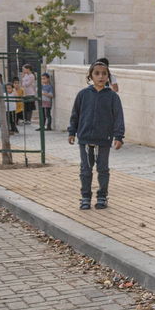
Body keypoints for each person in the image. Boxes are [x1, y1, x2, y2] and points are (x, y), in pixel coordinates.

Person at [68, 60, 126, 210]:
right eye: (97, 73)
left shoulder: (112, 97)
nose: (100, 76)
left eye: (104, 74)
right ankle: (85, 197)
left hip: (104, 139)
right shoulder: (83, 95)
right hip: (85, 139)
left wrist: (119, 136)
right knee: (85, 169)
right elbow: (75, 114)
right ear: (90, 76)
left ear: (108, 77)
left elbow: (118, 117)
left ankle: (102, 196)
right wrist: (72, 132)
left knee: (103, 169)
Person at [19, 63, 37, 127]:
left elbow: (26, 84)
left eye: (24, 69)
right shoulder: (25, 75)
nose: (23, 70)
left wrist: (23, 83)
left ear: (28, 69)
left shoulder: (31, 76)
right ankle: (25, 119)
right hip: (25, 93)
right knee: (25, 107)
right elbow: (22, 83)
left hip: (30, 93)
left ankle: (29, 119)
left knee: (29, 107)